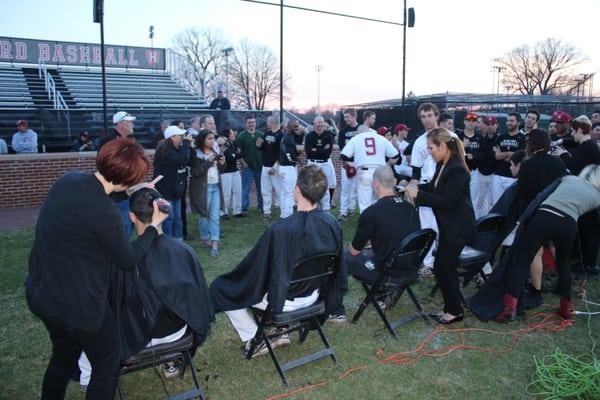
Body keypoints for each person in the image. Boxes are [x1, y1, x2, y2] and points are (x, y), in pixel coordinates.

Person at [25, 139, 169, 399]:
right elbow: (127, 259)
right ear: (125, 179)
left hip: (43, 294)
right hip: (78, 307)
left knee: (63, 356)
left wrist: (133, 186)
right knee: (106, 362)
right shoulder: (106, 213)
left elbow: (102, 191)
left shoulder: (67, 181)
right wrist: (151, 228)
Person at [78, 188, 215, 387]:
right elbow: (198, 300)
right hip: (178, 333)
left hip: (138, 340)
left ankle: (90, 381)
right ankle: (171, 360)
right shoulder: (184, 251)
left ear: (132, 216)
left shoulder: (121, 260)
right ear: (162, 212)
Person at [209, 165, 345, 357]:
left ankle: (254, 338)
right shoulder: (332, 224)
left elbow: (254, 271)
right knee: (284, 277)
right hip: (315, 294)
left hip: (285, 301)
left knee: (221, 288)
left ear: (297, 190)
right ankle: (281, 332)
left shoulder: (281, 231)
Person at [494, 165, 600, 322]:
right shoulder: (597, 197)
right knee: (563, 264)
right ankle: (565, 307)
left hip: (543, 217)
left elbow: (542, 195)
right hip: (568, 224)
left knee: (523, 260)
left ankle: (510, 307)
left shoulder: (569, 179)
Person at [329, 166, 420, 322]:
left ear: (375, 185)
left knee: (341, 257)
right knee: (375, 254)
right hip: (410, 269)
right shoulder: (410, 208)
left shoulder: (372, 213)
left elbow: (354, 251)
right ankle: (382, 297)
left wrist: (364, 243)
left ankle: (337, 311)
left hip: (388, 273)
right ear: (395, 182)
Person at [405, 128, 476, 324]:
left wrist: (418, 195)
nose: (429, 151)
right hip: (448, 225)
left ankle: (454, 311)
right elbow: (435, 188)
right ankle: (451, 308)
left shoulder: (457, 169)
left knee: (444, 266)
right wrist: (415, 187)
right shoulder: (442, 165)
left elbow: (447, 201)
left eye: (431, 148)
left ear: (443, 146)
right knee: (443, 266)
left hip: (459, 226)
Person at [552, 115, 600, 275]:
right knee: (586, 229)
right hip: (589, 193)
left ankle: (589, 264)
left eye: (573, 130)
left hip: (589, 194)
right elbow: (572, 141)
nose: (571, 134)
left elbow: (574, 168)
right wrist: (560, 142)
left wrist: (563, 156)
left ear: (580, 129)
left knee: (589, 230)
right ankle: (585, 261)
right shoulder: (587, 144)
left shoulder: (588, 147)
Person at [409, 102, 441, 273]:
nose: (427, 119)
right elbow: (415, 172)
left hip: (445, 186)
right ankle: (428, 263)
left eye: (430, 115)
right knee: (428, 227)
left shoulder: (450, 137)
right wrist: (413, 190)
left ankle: (444, 260)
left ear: (437, 116)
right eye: (423, 116)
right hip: (426, 186)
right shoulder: (419, 142)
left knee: (445, 226)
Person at [341, 122, 399, 213]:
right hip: (380, 172)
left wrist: (350, 164)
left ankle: (367, 224)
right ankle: (380, 223)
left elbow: (344, 155)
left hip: (365, 172)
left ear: (358, 132)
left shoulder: (356, 138)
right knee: (379, 201)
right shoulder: (380, 138)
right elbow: (395, 155)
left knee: (365, 203)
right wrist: (388, 164)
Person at [153, 125, 194, 240]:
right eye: (179, 135)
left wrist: (189, 147)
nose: (182, 137)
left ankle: (178, 241)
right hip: (166, 189)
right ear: (171, 137)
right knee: (169, 218)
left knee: (178, 218)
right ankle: (168, 241)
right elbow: (180, 160)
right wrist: (186, 144)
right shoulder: (165, 150)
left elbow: (190, 161)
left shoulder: (179, 148)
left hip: (176, 189)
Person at [190, 129, 225, 257]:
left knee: (215, 216)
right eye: (209, 138)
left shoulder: (214, 152)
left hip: (215, 186)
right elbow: (196, 172)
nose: (212, 141)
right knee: (204, 215)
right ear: (202, 140)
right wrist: (208, 162)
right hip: (203, 188)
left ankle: (215, 242)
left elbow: (219, 170)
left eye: (213, 138)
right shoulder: (196, 154)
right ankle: (205, 239)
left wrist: (222, 163)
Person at [492, 112, 526, 204]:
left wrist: (503, 154)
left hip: (513, 177)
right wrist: (509, 153)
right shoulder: (501, 137)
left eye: (512, 121)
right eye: (507, 120)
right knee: (496, 203)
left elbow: (519, 157)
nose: (509, 123)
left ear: (518, 123)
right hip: (498, 175)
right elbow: (496, 156)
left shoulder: (523, 138)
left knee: (510, 204)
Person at [305, 116, 337, 211]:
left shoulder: (328, 135)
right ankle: (313, 207)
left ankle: (326, 208)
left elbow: (328, 152)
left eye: (322, 122)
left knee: (326, 185)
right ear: (314, 124)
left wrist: (315, 149)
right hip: (313, 163)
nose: (320, 124)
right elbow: (308, 152)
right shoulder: (309, 136)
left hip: (326, 162)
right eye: (318, 122)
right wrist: (322, 149)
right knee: (312, 185)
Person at [457, 112, 485, 216]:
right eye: (469, 121)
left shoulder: (480, 138)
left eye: (474, 121)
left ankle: (471, 220)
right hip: (459, 171)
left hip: (473, 171)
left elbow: (483, 154)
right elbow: (452, 153)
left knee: (473, 198)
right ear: (464, 122)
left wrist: (474, 155)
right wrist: (463, 146)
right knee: (458, 197)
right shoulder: (457, 136)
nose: (471, 123)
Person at [237, 115, 264, 214]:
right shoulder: (241, 136)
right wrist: (244, 163)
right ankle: (244, 208)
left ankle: (261, 206)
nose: (251, 124)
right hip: (248, 167)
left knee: (261, 188)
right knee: (245, 188)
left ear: (255, 123)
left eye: (253, 122)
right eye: (249, 122)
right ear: (246, 124)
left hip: (260, 166)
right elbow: (238, 152)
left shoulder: (261, 134)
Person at [273, 118, 299, 218]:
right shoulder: (288, 138)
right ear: (288, 127)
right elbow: (289, 154)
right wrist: (295, 160)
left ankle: (283, 215)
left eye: (297, 126)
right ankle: (288, 216)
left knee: (284, 193)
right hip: (288, 168)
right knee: (290, 193)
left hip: (283, 167)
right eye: (295, 126)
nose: (297, 128)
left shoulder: (286, 137)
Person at [337, 108, 360, 221]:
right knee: (345, 188)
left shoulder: (361, 130)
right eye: (345, 117)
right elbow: (342, 149)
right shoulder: (343, 131)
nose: (346, 119)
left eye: (348, 117)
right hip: (348, 162)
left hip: (360, 162)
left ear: (354, 116)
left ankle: (352, 208)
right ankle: (343, 212)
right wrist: (345, 163)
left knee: (357, 188)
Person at [259, 116, 283, 221]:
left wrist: (275, 167)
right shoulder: (266, 133)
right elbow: (263, 148)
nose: (267, 123)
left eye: (268, 122)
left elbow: (281, 153)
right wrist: (259, 145)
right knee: (265, 190)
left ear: (273, 122)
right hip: (265, 166)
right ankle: (266, 212)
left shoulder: (280, 135)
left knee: (279, 190)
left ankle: (284, 210)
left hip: (275, 168)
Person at [220, 128, 244, 219]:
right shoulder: (224, 145)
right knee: (226, 193)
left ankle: (237, 211)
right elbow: (230, 158)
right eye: (231, 133)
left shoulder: (232, 144)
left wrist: (236, 154)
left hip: (235, 171)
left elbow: (238, 155)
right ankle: (223, 212)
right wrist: (235, 155)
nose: (234, 134)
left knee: (238, 191)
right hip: (226, 172)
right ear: (227, 135)